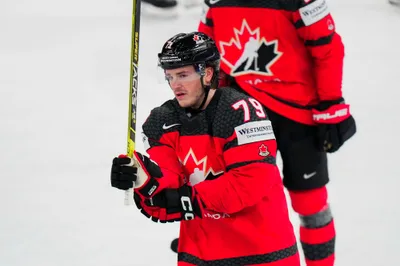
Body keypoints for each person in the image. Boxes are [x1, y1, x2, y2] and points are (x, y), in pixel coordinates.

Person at [176, 1, 356, 266]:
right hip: (245, 112)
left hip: (299, 114)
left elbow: (328, 47)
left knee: (310, 202)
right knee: (245, 202)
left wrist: (331, 104)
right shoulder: (215, 2)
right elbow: (208, 53)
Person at [111, 32, 300, 265]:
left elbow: (249, 183)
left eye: (182, 75)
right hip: (199, 256)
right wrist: (142, 179)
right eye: (169, 76)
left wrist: (186, 198)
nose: (175, 84)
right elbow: (167, 196)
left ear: (208, 73)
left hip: (262, 255)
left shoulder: (241, 111)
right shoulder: (160, 123)